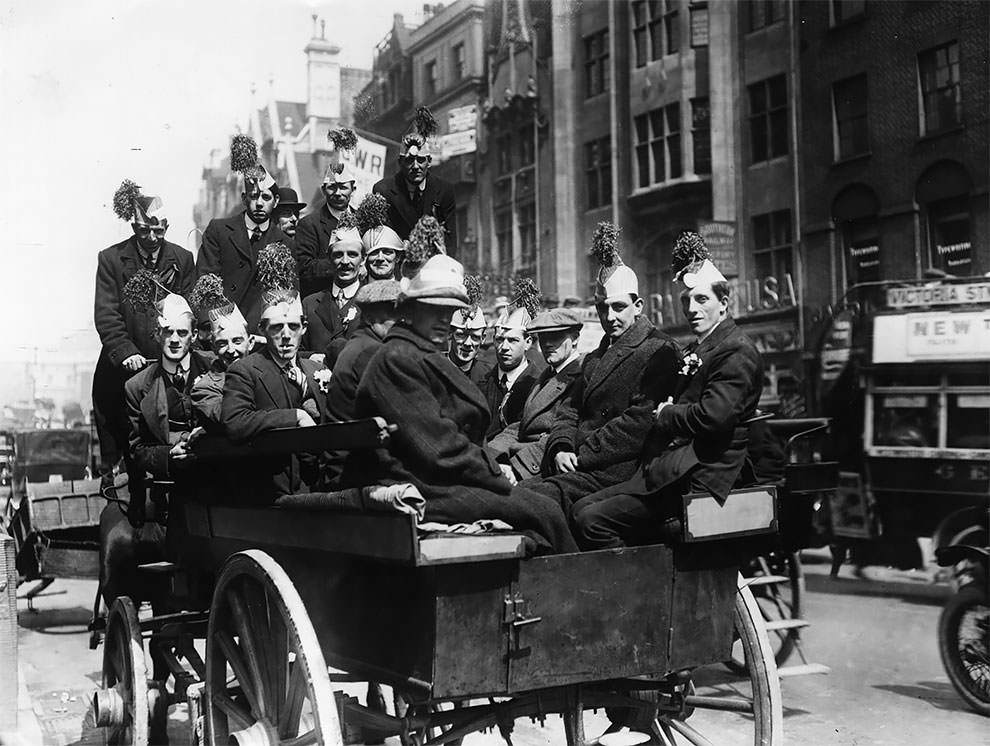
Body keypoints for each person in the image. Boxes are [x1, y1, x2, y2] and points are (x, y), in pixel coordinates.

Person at [343, 253, 577, 555]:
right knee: (543, 512)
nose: (445, 320)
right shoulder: (398, 359)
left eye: (450, 310)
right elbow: (437, 449)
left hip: (445, 480)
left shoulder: (419, 354)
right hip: (424, 486)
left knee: (545, 508)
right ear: (411, 310)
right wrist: (494, 473)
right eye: (435, 309)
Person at [570, 232, 764, 550]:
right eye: (686, 300)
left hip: (704, 477)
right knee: (579, 509)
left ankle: (639, 595)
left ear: (724, 304)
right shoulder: (702, 347)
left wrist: (667, 413)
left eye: (702, 300)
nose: (692, 308)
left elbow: (714, 417)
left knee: (591, 520)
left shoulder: (736, 350)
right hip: (674, 468)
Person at [519, 222, 680, 517]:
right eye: (602, 308)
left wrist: (581, 454)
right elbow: (569, 410)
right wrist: (561, 446)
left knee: (535, 501)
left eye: (618, 307)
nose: (609, 317)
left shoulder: (660, 351)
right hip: (579, 463)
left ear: (639, 306)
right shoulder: (595, 357)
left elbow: (637, 424)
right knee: (520, 496)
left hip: (618, 470)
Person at [93, 179, 195, 476]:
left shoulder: (182, 259)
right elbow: (107, 314)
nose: (151, 238)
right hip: (125, 364)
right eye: (143, 231)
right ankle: (118, 483)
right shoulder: (111, 260)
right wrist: (125, 352)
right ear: (134, 228)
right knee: (122, 435)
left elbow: (190, 312)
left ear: (166, 225)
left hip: (168, 360)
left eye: (158, 230)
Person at [222, 284, 329, 500]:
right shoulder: (245, 370)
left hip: (318, 488)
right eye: (277, 327)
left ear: (304, 327)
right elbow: (235, 421)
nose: (286, 335)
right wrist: (295, 416)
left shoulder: (316, 370)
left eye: (293, 326)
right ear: (262, 329)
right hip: (270, 491)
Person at [196, 134, 285, 334]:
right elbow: (205, 282)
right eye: (254, 196)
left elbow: (287, 295)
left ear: (276, 201)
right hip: (223, 330)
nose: (260, 203)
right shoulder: (219, 231)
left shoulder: (284, 242)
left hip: (264, 336)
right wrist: (216, 327)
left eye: (266, 197)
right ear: (244, 198)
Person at [488, 308, 585, 481]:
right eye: (543, 338)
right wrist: (492, 453)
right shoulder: (548, 374)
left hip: (543, 465)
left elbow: (562, 433)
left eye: (556, 337)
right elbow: (522, 425)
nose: (547, 344)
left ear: (576, 338)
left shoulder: (582, 376)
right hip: (521, 458)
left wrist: (515, 469)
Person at [372, 106, 457, 254]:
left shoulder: (444, 190)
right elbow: (381, 239)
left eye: (421, 160)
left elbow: (450, 241)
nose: (416, 166)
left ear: (429, 161)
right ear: (400, 162)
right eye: (410, 160)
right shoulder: (383, 191)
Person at [296, 127, 359, 297]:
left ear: (353, 188)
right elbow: (304, 268)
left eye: (343, 187)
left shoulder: (364, 220)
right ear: (324, 190)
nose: (337, 193)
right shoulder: (309, 225)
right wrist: (344, 264)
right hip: (324, 299)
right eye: (332, 187)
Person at [187, 274, 254, 429]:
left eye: (237, 341)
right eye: (223, 343)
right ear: (213, 347)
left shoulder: (268, 369)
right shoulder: (204, 388)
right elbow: (233, 419)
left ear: (250, 343)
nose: (231, 350)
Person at [481, 278, 545, 440]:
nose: (504, 347)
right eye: (499, 340)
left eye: (513, 340)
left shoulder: (538, 384)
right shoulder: (483, 380)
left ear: (528, 342)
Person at [301, 218, 364, 360]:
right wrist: (313, 357)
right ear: (329, 260)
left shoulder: (371, 302)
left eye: (352, 254)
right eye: (338, 255)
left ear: (363, 259)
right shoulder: (310, 304)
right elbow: (297, 350)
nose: (345, 262)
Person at [448, 275, 493, 387]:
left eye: (475, 337)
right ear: (449, 334)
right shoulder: (434, 370)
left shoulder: (491, 376)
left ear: (483, 338)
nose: (468, 343)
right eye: (461, 335)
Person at [356, 192, 405, 281]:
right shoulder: (355, 292)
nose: (380, 258)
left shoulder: (407, 291)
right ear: (364, 258)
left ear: (398, 257)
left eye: (387, 252)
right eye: (374, 253)